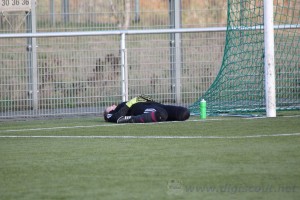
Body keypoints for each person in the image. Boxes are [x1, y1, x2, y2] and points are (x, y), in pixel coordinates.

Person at [103, 95, 190, 123]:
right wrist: (131, 102)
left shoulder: (119, 105)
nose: (113, 105)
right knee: (161, 114)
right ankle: (134, 120)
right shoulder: (112, 113)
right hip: (140, 109)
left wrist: (145, 98)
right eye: (110, 106)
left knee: (184, 112)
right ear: (109, 111)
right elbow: (115, 118)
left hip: (156, 105)